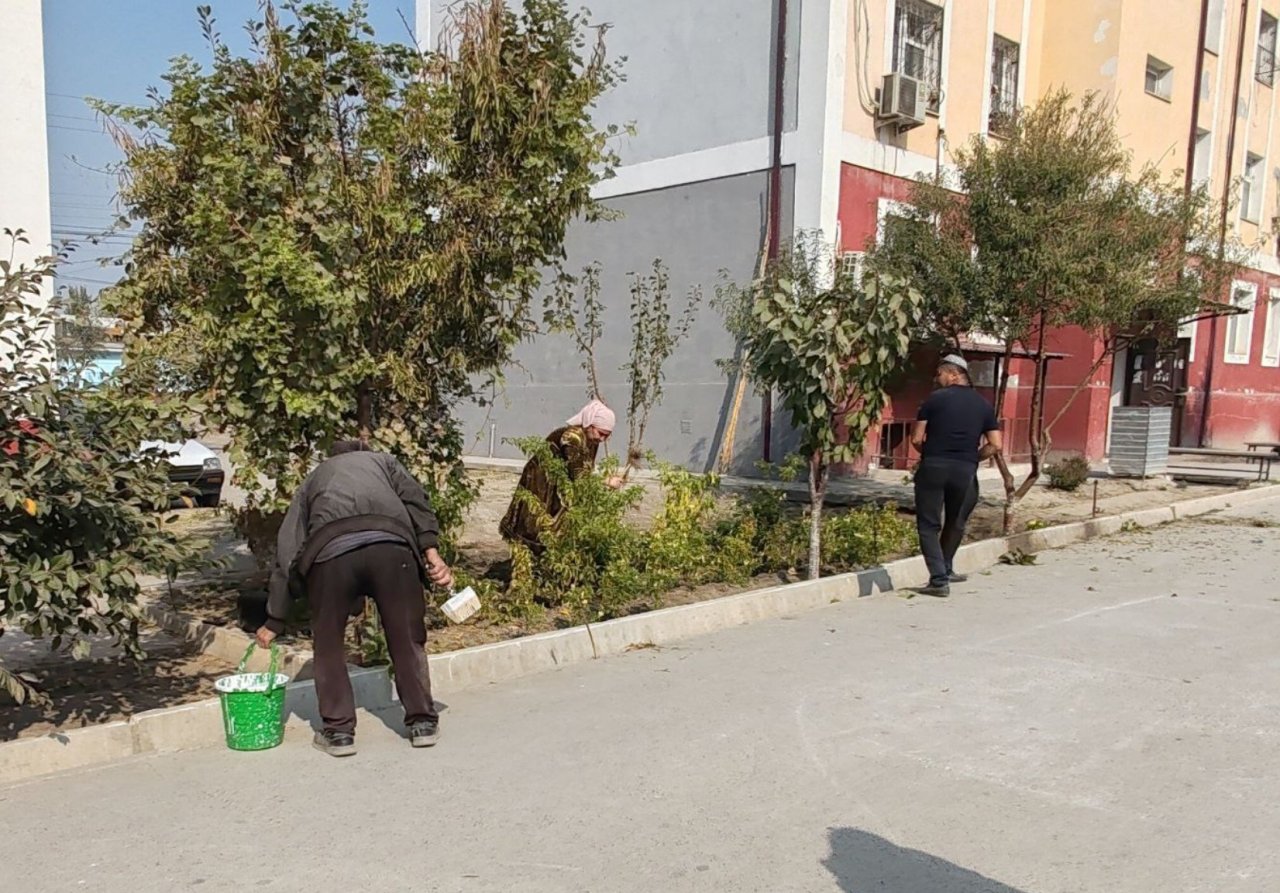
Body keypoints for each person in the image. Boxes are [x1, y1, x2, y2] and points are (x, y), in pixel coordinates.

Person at [256, 440, 453, 757]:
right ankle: (422, 724)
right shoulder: (385, 462)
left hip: (330, 556)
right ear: (364, 451)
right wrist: (432, 554)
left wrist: (275, 619)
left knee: (329, 644)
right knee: (406, 637)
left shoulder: (315, 477)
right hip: (391, 548)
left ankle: (338, 733)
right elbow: (417, 503)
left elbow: (288, 548)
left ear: (332, 457)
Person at [910, 355, 1003, 597]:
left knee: (928, 525)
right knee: (957, 520)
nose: (936, 379)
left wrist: (930, 453)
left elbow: (916, 439)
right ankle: (947, 567)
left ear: (953, 374)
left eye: (939, 374)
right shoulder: (984, 404)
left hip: (933, 467)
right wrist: (973, 458)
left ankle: (939, 580)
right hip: (965, 470)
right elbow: (995, 444)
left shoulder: (933, 400)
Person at [499, 399, 623, 552]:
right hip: (542, 480)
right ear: (590, 425)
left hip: (558, 482)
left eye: (607, 436)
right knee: (536, 521)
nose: (602, 439)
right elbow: (579, 477)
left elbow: (585, 468)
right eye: (601, 433)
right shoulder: (572, 438)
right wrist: (606, 482)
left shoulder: (591, 438)